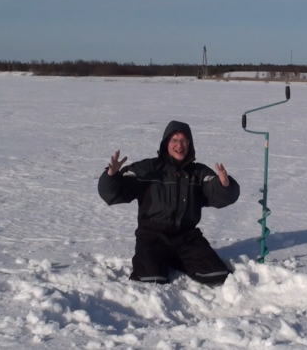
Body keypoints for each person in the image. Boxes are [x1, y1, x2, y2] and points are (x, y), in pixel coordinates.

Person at [98, 121, 240, 287]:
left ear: (190, 144)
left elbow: (219, 194)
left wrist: (225, 185)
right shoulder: (148, 169)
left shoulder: (198, 173)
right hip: (152, 236)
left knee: (217, 274)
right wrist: (111, 176)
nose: (179, 145)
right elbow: (112, 193)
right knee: (150, 280)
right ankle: (161, 259)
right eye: (174, 140)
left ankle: (176, 259)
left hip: (186, 237)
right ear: (166, 143)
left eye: (184, 141)